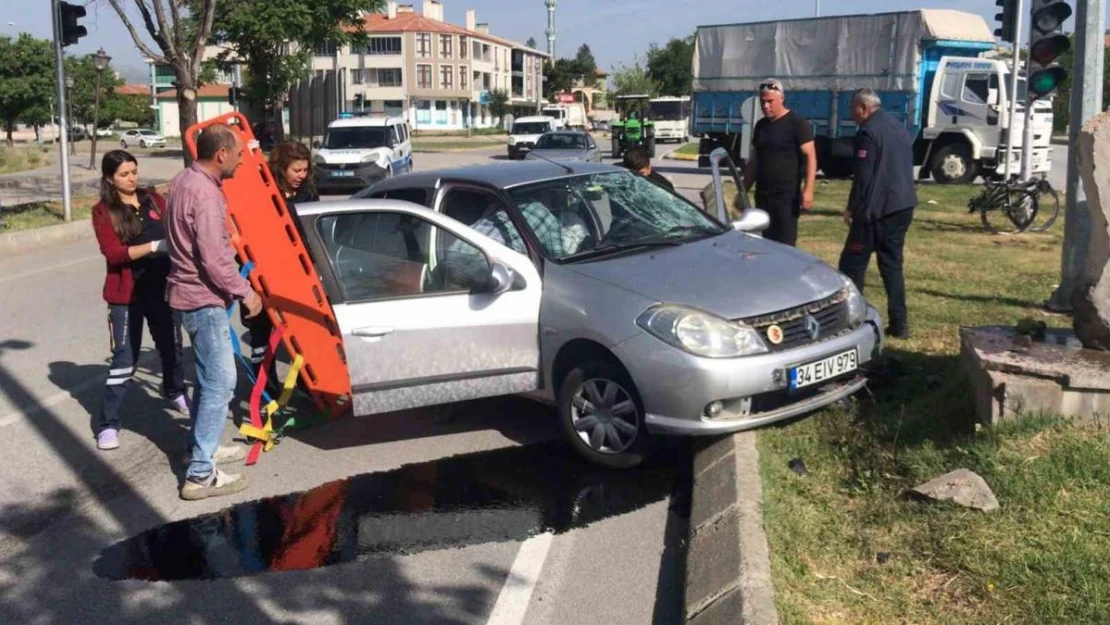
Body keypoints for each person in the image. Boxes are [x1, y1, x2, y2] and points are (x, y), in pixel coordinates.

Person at [166, 123, 263, 500]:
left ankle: (199, 448)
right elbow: (215, 258)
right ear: (221, 154)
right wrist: (246, 293)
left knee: (208, 381)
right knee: (221, 384)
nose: (242, 160)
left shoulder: (184, 180)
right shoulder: (205, 195)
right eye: (239, 153)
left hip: (188, 297)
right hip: (203, 300)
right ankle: (201, 474)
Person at [90, 150, 188, 451]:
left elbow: (175, 227)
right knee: (124, 360)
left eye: (134, 171)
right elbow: (114, 254)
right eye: (124, 174)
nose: (132, 178)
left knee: (171, 347)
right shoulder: (103, 210)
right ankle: (108, 424)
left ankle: (174, 391)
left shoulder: (152, 198)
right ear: (110, 178)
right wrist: (154, 246)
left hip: (162, 288)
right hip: (127, 296)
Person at [838, 88, 918, 339]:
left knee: (852, 264)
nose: (852, 115)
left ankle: (854, 320)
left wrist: (852, 208)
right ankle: (900, 323)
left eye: (853, 109)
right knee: (892, 265)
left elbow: (864, 176)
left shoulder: (869, 133)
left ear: (863, 108)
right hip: (902, 206)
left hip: (876, 211)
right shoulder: (897, 126)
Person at [241, 141, 321, 383]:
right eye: (296, 170)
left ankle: (307, 383)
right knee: (261, 333)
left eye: (305, 170)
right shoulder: (264, 191)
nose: (301, 176)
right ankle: (265, 385)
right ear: (281, 167)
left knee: (300, 331)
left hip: (296, 273)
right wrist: (249, 151)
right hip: (263, 273)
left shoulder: (308, 195)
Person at [743, 78, 817, 246]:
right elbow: (754, 161)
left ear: (781, 99)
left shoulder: (797, 123)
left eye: (770, 101)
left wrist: (808, 190)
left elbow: (811, 156)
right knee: (764, 244)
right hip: (763, 196)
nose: (766, 106)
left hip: (786, 197)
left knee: (785, 245)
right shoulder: (761, 126)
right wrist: (743, 189)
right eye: (763, 102)